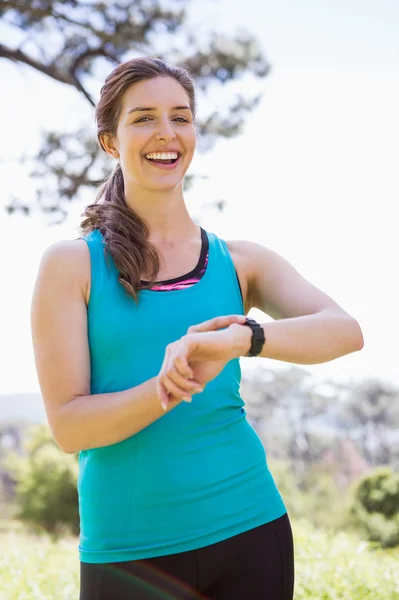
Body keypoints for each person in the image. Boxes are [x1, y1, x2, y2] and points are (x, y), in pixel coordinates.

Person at [31, 57, 364, 600]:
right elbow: (70, 427)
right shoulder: (71, 265)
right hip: (129, 554)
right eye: (143, 118)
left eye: (180, 117)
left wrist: (244, 339)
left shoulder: (239, 261)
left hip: (251, 528)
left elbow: (345, 331)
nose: (166, 133)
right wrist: (173, 382)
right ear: (110, 142)